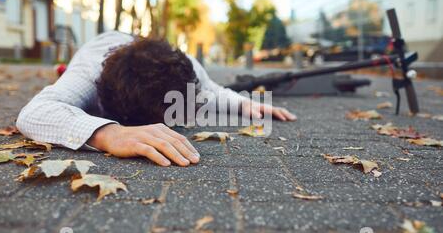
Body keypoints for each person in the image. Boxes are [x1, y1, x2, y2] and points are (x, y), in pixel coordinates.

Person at [16, 31, 297, 167]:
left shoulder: (187, 65)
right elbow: (33, 113)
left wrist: (245, 104)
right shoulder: (89, 73)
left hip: (139, 47)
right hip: (97, 48)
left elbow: (214, 90)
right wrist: (109, 133)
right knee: (62, 83)